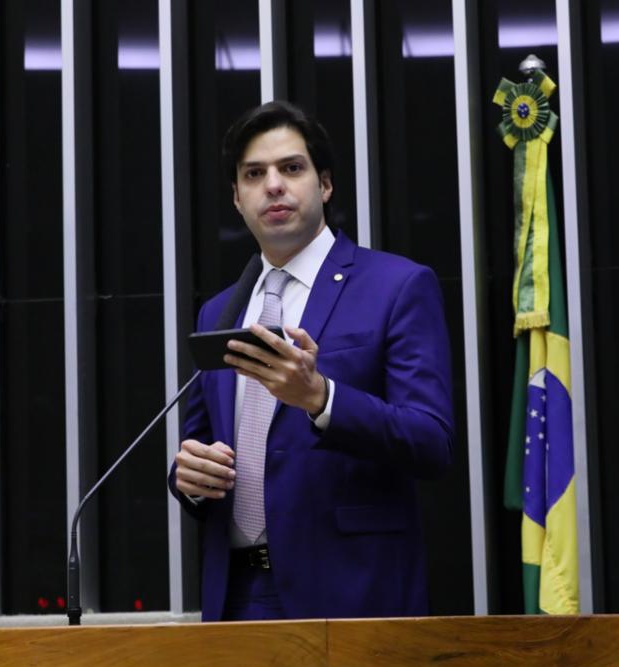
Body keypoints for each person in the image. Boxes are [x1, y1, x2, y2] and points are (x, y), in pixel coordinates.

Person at [168, 100, 454, 621]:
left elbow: (431, 441)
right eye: (254, 174)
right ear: (236, 197)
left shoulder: (397, 286)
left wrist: (322, 399)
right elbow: (202, 442)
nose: (273, 185)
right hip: (235, 597)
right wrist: (188, 477)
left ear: (324, 185)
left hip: (352, 594)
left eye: (291, 168)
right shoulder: (219, 310)